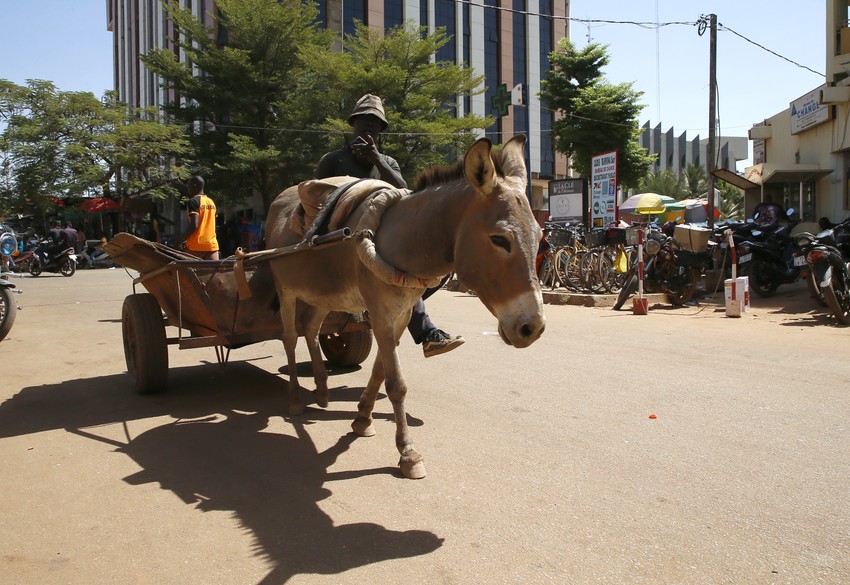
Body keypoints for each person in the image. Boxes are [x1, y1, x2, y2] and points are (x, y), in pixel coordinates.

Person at [315, 94, 464, 358]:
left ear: (381, 131)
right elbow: (318, 202)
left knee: (423, 270)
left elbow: (405, 192)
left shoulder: (387, 162)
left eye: (376, 123)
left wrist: (376, 160)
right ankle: (426, 332)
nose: (370, 126)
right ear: (354, 124)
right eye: (365, 121)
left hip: (381, 241)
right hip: (341, 242)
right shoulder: (333, 161)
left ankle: (402, 315)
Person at [180, 175, 220, 260]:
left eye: (189, 186)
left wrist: (182, 238)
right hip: (212, 246)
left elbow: (194, 225)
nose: (188, 189)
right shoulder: (211, 202)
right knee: (213, 273)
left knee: (184, 272)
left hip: (196, 246)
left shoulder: (193, 201)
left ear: (194, 185)